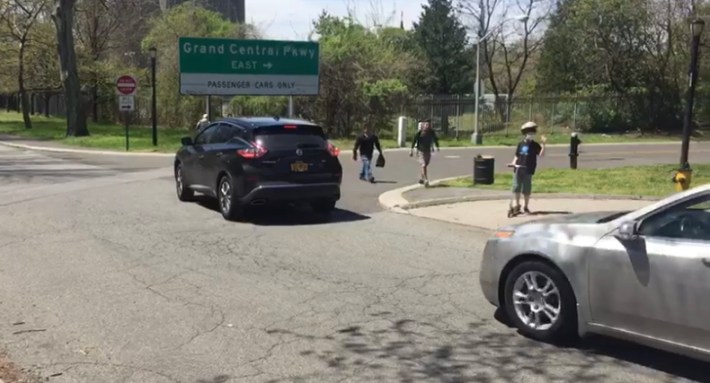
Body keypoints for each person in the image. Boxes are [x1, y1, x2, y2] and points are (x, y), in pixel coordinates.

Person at [510, 121, 546, 214]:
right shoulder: (520, 144)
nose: (531, 135)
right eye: (529, 133)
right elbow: (517, 155)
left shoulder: (534, 145)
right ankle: (517, 205)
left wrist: (543, 144)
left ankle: (526, 206)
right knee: (516, 187)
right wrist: (513, 162)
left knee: (526, 188)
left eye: (532, 133)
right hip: (518, 168)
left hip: (528, 168)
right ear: (525, 134)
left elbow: (541, 154)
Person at [409, 119, 440, 186]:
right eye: (426, 125)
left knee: (426, 164)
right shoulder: (420, 132)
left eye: (429, 125)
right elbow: (414, 141)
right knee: (423, 165)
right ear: (423, 125)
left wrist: (437, 147)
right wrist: (411, 150)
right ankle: (426, 179)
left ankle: (421, 178)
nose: (427, 126)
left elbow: (435, 139)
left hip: (427, 150)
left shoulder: (431, 132)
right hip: (420, 151)